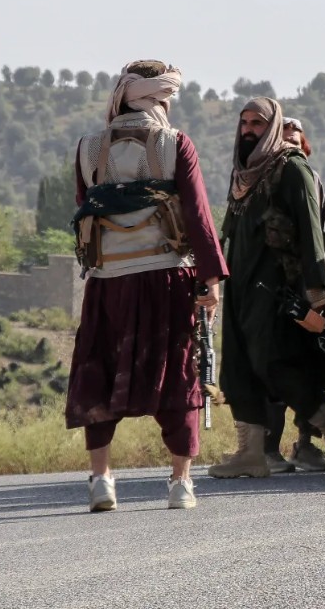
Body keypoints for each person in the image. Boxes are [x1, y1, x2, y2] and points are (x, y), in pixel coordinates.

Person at [65, 60, 227, 512]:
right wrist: (210, 279)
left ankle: (101, 480)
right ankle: (179, 484)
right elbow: (197, 215)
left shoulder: (87, 148)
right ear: (158, 98)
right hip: (166, 279)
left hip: (106, 284)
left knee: (98, 372)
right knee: (178, 376)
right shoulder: (176, 144)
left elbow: (84, 208)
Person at [211, 98, 325, 478]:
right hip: (240, 288)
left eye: (257, 123)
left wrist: (319, 294)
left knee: (274, 367)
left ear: (272, 127)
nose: (248, 129)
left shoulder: (291, 170)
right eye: (244, 122)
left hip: (276, 290)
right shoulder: (243, 174)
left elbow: (316, 234)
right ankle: (251, 452)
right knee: (238, 369)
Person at [259, 117, 325, 473]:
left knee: (313, 367)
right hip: (277, 293)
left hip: (310, 292)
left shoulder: (311, 180)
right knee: (279, 370)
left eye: (296, 139)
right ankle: (268, 450)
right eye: (284, 139)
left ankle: (305, 445)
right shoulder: (265, 182)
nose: (290, 144)